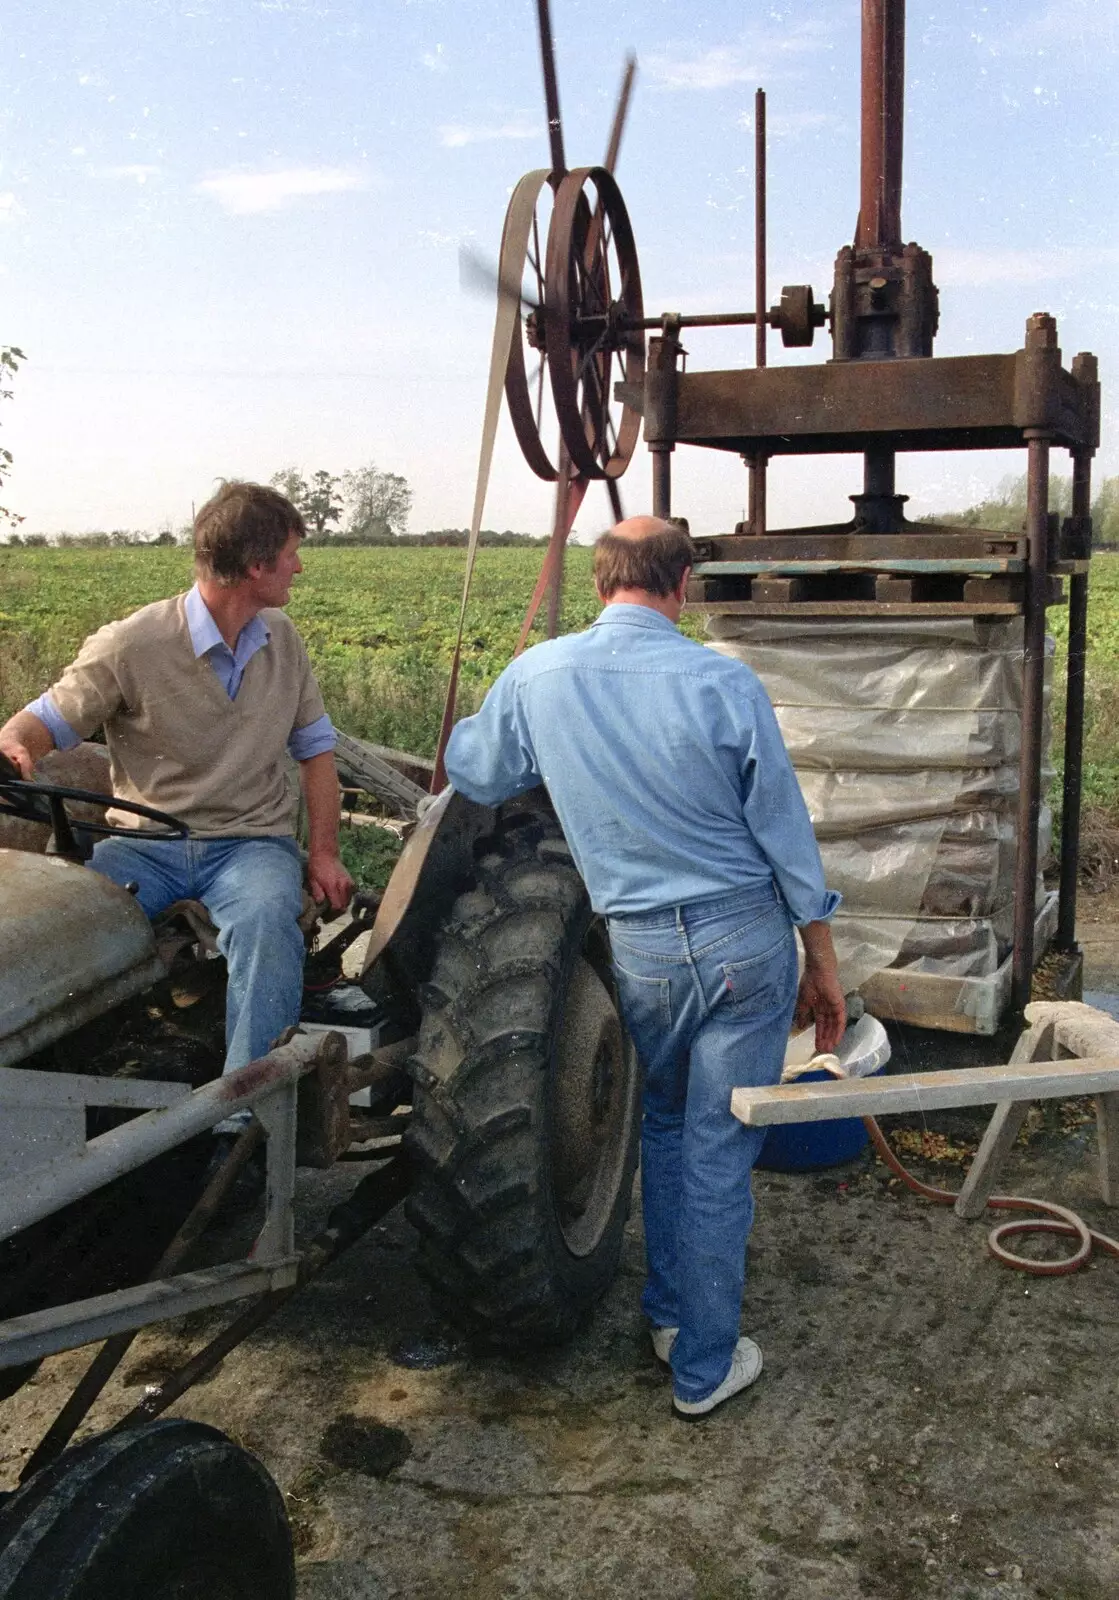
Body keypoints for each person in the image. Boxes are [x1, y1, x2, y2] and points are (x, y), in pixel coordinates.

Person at [443, 515, 846, 1419]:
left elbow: (473, 769)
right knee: (717, 1147)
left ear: (598, 586)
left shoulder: (539, 674)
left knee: (664, 1124)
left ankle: (670, 1316)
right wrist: (821, 963)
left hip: (643, 949)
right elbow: (784, 836)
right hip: (743, 940)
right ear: (683, 586)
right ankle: (704, 1366)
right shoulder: (723, 682)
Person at [0, 481, 353, 1115]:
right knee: (64, 927)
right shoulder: (132, 643)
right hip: (145, 845)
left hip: (250, 846)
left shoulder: (283, 639)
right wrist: (15, 744)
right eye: (292, 554)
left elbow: (316, 753)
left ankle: (244, 1117)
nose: (300, 567)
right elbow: (45, 720)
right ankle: (68, 1096)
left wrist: (323, 853)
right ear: (255, 566)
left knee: (269, 922)